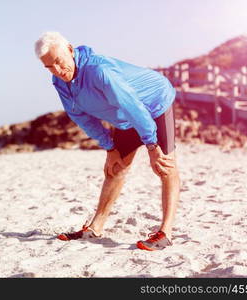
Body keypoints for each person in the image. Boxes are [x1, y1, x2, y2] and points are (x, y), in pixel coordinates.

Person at [34, 32, 180, 251]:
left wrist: (152, 145)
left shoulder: (99, 71)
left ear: (70, 50)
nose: (57, 70)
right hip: (124, 117)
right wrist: (109, 146)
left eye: (58, 62)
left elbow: (132, 105)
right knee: (114, 169)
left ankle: (165, 233)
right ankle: (95, 227)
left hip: (154, 104)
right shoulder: (60, 82)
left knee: (164, 166)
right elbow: (79, 116)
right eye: (49, 67)